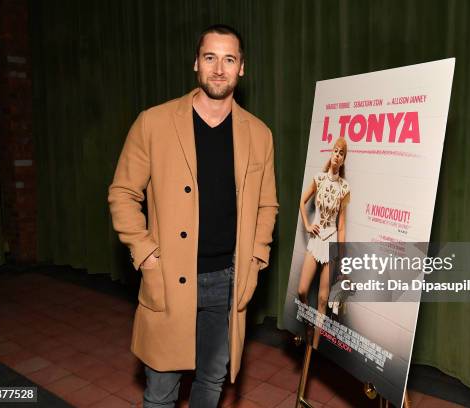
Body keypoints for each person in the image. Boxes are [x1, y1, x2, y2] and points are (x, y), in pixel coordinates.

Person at [108, 24, 278, 408]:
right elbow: (122, 193)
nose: (219, 69)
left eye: (229, 59)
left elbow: (268, 205)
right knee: (161, 392)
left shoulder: (260, 135)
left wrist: (255, 258)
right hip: (168, 277)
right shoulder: (153, 123)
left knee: (211, 383)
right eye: (210, 57)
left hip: (229, 280)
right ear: (196, 64)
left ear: (242, 68)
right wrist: (147, 254)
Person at [297, 137, 350, 347]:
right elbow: (302, 201)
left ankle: (314, 349)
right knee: (302, 290)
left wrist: (342, 260)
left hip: (331, 244)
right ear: (331, 153)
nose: (337, 155)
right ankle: (308, 325)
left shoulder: (345, 188)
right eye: (335, 151)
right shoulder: (318, 178)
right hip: (316, 239)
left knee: (322, 300)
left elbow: (342, 226)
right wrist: (308, 224)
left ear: (344, 159)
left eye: (341, 153)